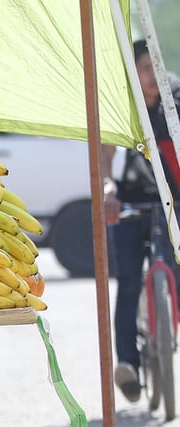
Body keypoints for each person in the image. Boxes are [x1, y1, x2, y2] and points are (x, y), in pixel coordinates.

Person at [103, 40, 180, 403]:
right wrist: (107, 191)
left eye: (156, 66)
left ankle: (168, 333)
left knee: (176, 273)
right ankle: (128, 365)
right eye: (144, 68)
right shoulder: (123, 106)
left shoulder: (174, 98)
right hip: (129, 204)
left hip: (172, 202)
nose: (152, 76)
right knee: (129, 282)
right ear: (132, 72)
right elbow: (105, 154)